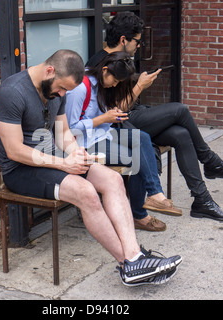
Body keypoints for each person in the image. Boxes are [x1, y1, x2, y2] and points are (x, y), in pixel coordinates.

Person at [0, 49, 182, 286]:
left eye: (66, 91)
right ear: (50, 70)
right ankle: (128, 263)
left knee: (112, 180)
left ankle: (135, 256)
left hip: (54, 159)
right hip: (21, 170)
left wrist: (76, 153)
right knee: (86, 192)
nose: (62, 95)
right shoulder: (12, 93)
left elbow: (63, 134)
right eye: (61, 89)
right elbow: (14, 150)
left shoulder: (58, 92)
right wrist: (63, 163)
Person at [86, 12, 223, 222]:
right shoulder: (100, 65)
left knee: (180, 134)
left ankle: (202, 200)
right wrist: (139, 87)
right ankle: (210, 161)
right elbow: (113, 114)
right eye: (137, 41)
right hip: (119, 125)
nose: (139, 46)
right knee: (180, 110)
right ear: (123, 40)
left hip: (135, 115)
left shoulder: (120, 59)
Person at [66, 51, 182, 232]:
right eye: (116, 80)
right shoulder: (81, 87)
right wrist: (104, 118)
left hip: (104, 133)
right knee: (135, 158)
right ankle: (139, 215)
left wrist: (113, 116)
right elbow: (69, 128)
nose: (115, 84)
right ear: (105, 70)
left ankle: (155, 194)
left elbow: (105, 118)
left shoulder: (104, 86)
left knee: (142, 138)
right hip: (83, 143)